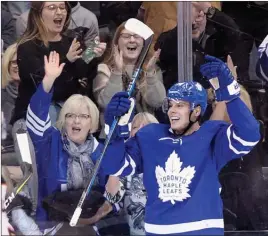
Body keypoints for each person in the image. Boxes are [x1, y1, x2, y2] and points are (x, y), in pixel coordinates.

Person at [100, 55, 260, 235]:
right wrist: (113, 131)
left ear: (197, 111)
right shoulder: (150, 136)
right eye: (170, 105)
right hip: (159, 230)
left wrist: (230, 92)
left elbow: (250, 135)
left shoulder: (212, 135)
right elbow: (115, 166)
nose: (172, 111)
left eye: (180, 105)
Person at [26, 51, 106, 224]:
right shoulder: (50, 142)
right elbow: (36, 119)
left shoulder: (101, 152)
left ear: (92, 122)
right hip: (53, 223)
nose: (76, 121)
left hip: (92, 224)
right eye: (70, 115)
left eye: (84, 116)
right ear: (63, 119)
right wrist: (48, 81)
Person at [93, 21, 165, 138]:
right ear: (117, 43)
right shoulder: (104, 69)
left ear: (143, 43)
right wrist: (116, 72)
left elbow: (157, 102)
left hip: (146, 135)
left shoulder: (152, 69)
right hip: (113, 137)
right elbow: (106, 102)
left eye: (137, 36)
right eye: (126, 36)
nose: (132, 40)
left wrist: (151, 75)